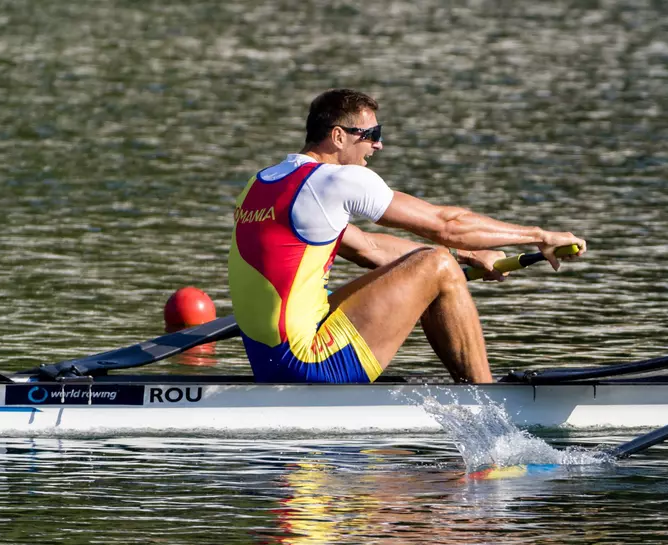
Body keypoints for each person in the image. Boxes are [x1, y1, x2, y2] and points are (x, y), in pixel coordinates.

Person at [229, 89, 586, 384]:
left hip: (270, 364)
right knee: (438, 265)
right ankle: (488, 401)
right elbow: (447, 224)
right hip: (308, 364)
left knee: (439, 262)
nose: (378, 145)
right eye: (371, 135)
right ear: (338, 137)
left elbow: (368, 247)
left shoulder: (262, 183)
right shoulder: (337, 179)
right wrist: (538, 235)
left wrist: (468, 256)